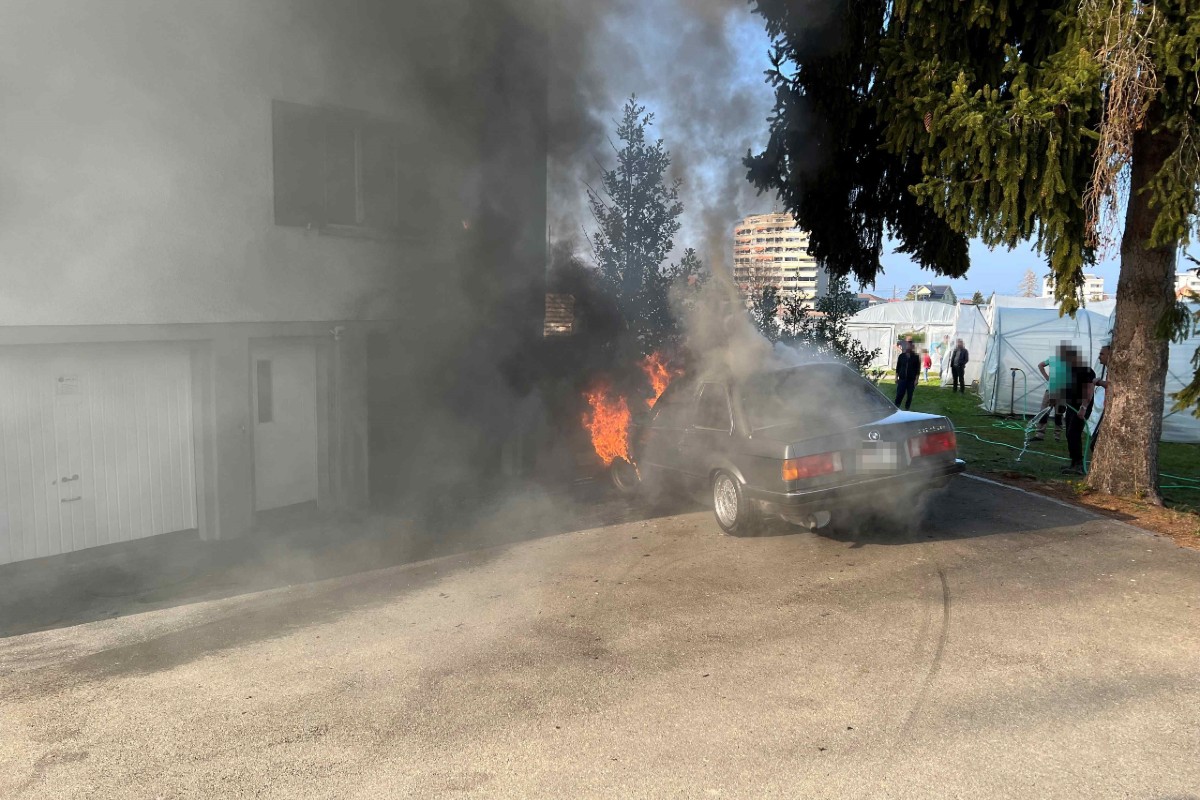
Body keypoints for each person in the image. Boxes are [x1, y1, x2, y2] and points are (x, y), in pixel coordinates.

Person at [1060, 345, 1096, 475]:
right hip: (1071, 407)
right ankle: (1074, 462)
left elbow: (1089, 389)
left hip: (1080, 408)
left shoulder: (1086, 370)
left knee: (1074, 433)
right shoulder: (1070, 370)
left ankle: (1079, 464)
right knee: (1069, 434)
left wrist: (1083, 407)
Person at [1034, 345, 1070, 441]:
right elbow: (1040, 365)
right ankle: (1040, 435)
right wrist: (1047, 377)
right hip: (1051, 390)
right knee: (1044, 412)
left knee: (1059, 413)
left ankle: (1057, 436)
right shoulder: (1053, 360)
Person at [1089, 344, 1112, 456]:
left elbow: (1113, 385)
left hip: (1112, 412)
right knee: (1095, 443)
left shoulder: (1116, 370)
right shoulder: (1109, 369)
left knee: (1097, 444)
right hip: (1107, 410)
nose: (1099, 357)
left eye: (1102, 354)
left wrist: (1098, 382)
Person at [894, 339, 921, 410]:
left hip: (911, 380)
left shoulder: (916, 357)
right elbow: (898, 367)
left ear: (912, 347)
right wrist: (896, 377)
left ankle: (907, 408)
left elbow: (917, 369)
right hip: (902, 379)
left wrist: (916, 379)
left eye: (909, 346)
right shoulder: (901, 356)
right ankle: (896, 407)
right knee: (899, 394)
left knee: (909, 395)